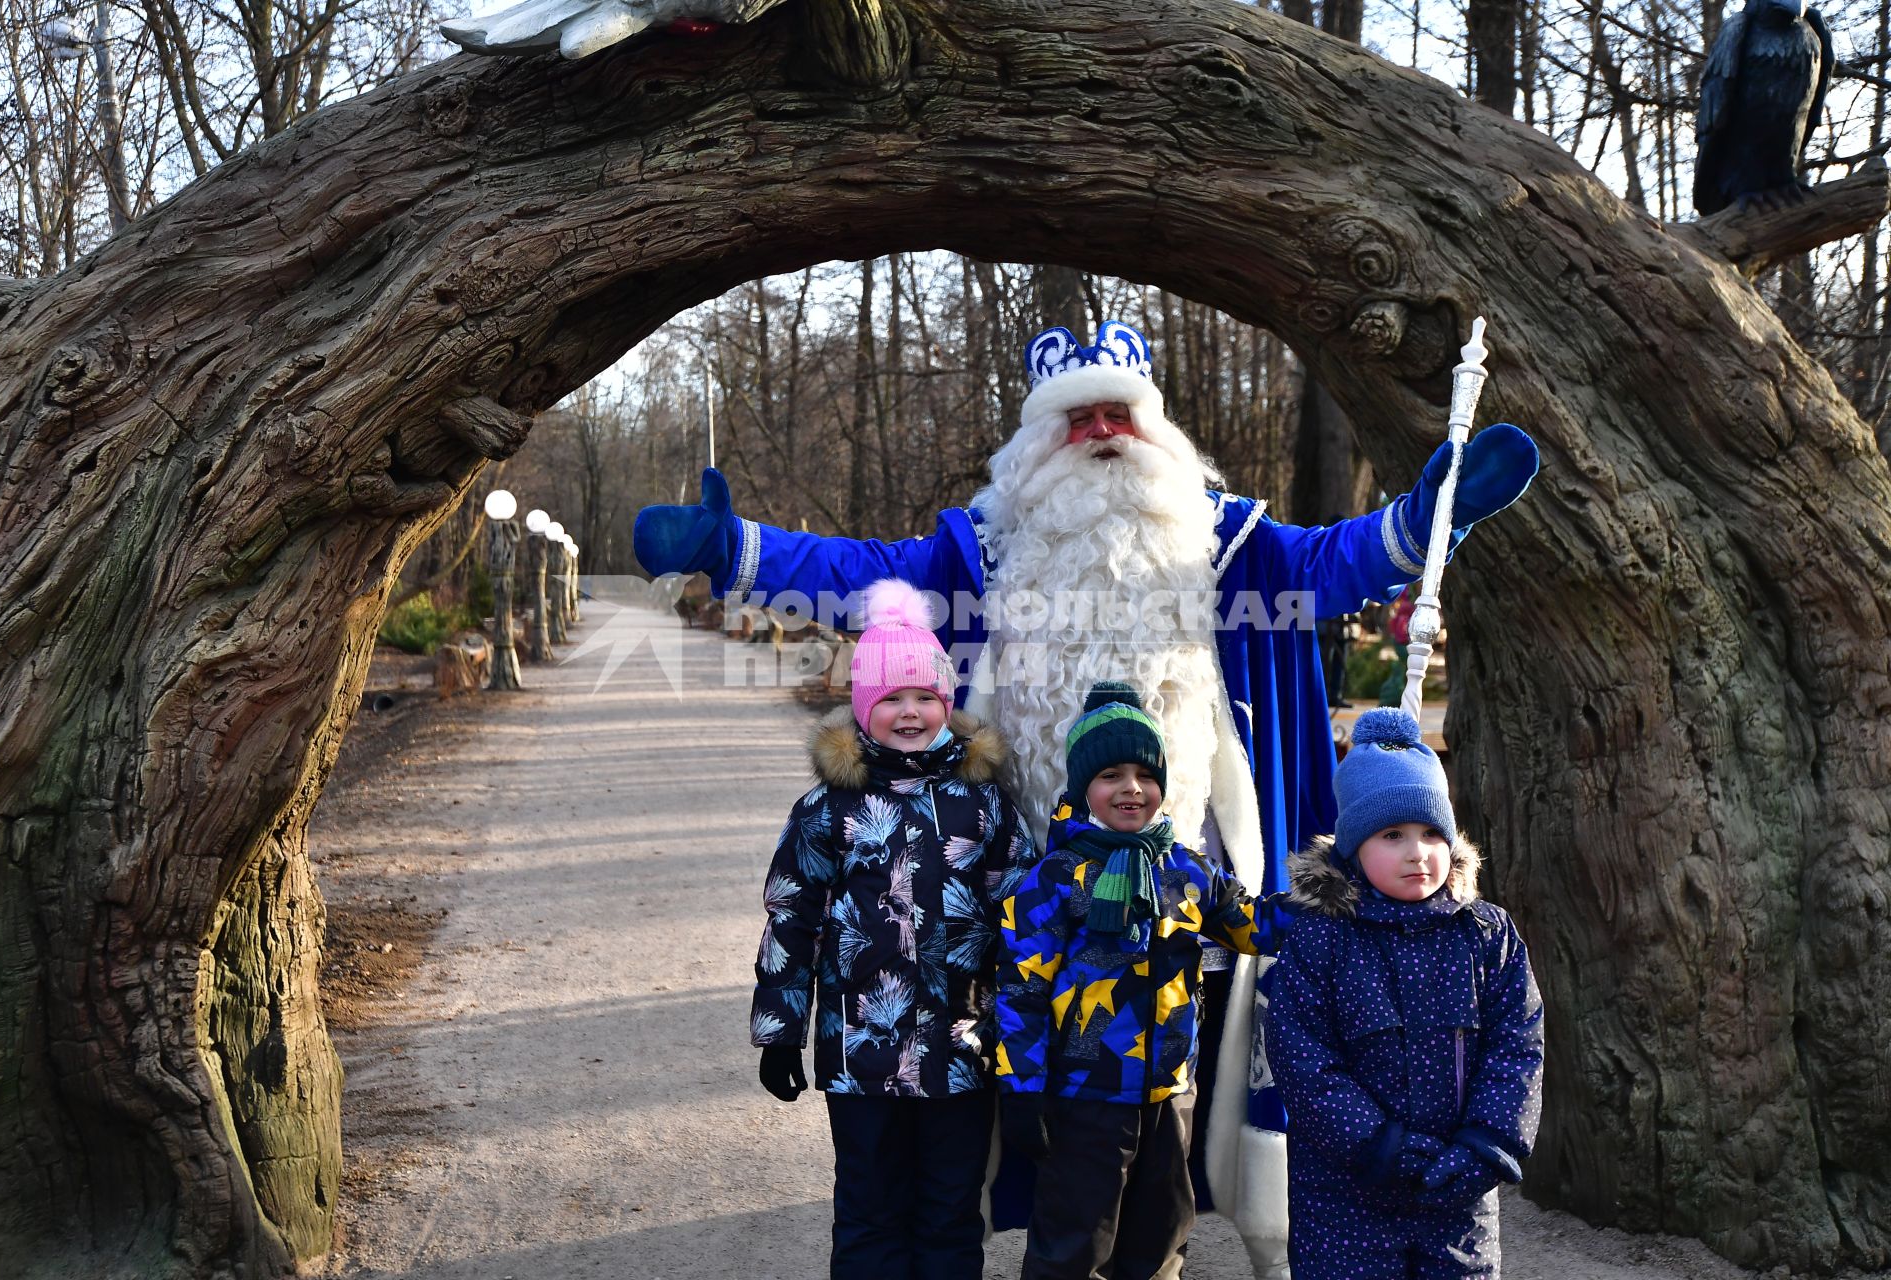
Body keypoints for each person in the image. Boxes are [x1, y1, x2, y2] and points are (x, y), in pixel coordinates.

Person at [641, 317, 1539, 1236]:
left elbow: (1335, 563)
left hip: (1192, 885)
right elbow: (862, 576)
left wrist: (1434, 515)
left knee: (1179, 1110)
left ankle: (1163, 1246)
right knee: (1052, 1113)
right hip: (1040, 890)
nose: (1102, 433)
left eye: (1120, 414)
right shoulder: (984, 550)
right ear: (1037, 442)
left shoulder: (1225, 543)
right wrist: (733, 550)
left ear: (1156, 433)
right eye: (1077, 419)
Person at [749, 580, 1036, 1280]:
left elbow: (1024, 917)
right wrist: (780, 1032)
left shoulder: (985, 804)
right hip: (861, 1057)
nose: (909, 712)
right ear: (863, 707)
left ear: (946, 704)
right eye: (891, 699)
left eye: (924, 698)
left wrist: (1024, 1030)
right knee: (870, 1214)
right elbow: (793, 919)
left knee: (948, 1214)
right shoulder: (828, 808)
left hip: (961, 1053)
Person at [994, 682, 1282, 1279]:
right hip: (1084, 1093)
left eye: (1144, 775)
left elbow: (1255, 926)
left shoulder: (1186, 869)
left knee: (1162, 1235)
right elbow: (1020, 989)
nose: (1131, 788)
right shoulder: (1054, 879)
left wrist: (1331, 894)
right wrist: (1020, 1088)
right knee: (1076, 1238)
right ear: (1082, 788)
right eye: (1111, 775)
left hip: (1170, 1091)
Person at [1267, 708, 1544, 1279]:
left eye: (1431, 833)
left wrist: (1486, 1145)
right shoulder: (1323, 940)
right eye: (1392, 835)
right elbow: (1303, 1055)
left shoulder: (1487, 934)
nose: (1417, 851)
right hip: (1346, 1197)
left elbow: (1518, 1046)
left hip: (1457, 1191)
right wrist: (1375, 1144)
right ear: (1351, 849)